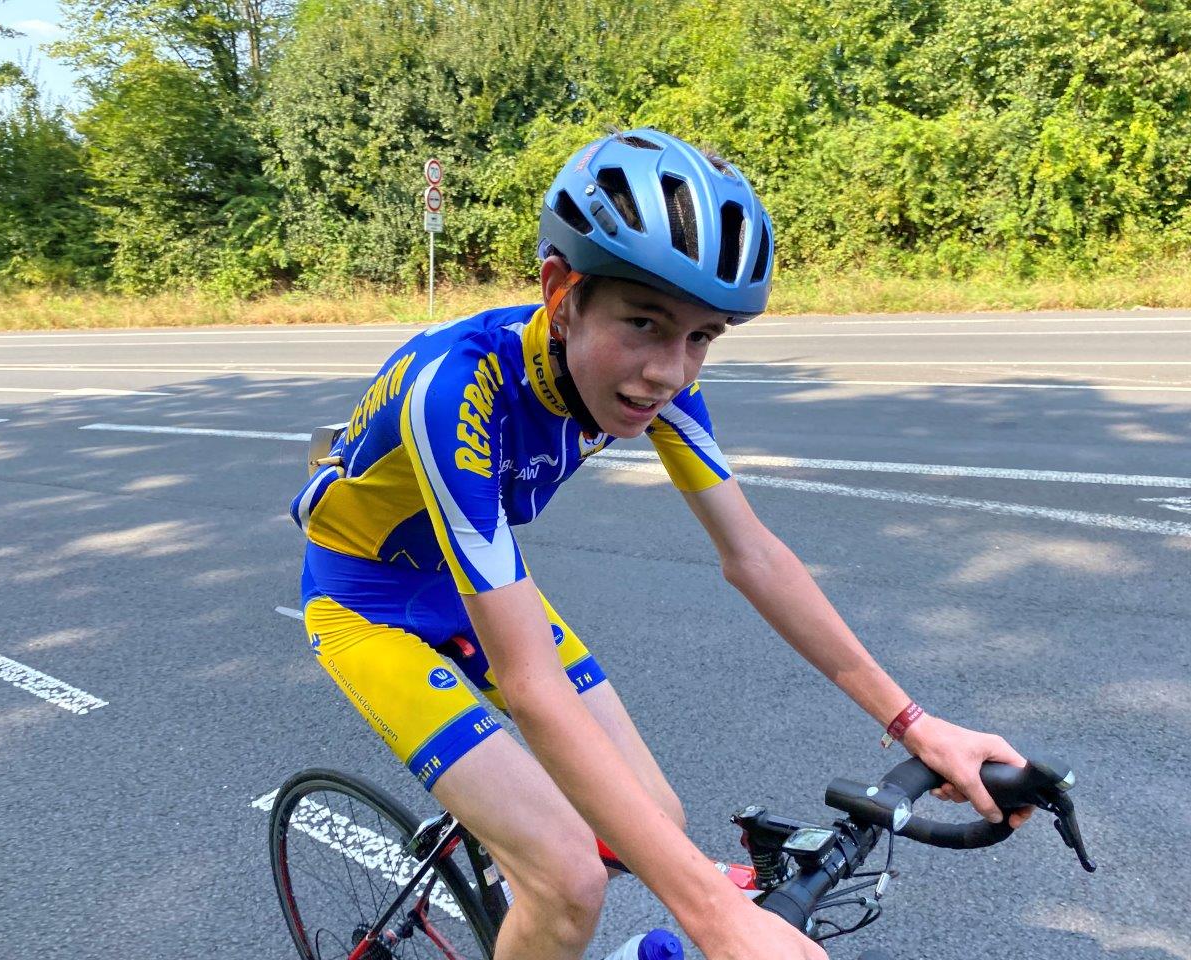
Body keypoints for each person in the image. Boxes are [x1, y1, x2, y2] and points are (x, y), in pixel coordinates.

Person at [289, 128, 1033, 960]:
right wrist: (718, 919)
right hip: (366, 605)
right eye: (644, 323)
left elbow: (754, 556)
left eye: (702, 336)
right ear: (560, 294)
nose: (670, 373)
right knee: (569, 880)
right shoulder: (458, 389)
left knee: (656, 820)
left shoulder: (657, 383)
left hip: (471, 581)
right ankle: (530, 866)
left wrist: (916, 724)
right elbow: (532, 685)